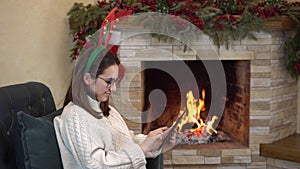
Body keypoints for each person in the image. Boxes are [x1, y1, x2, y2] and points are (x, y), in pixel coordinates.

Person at [53, 45, 176, 169]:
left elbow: (125, 141)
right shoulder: (75, 116)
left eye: (115, 82)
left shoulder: (109, 112)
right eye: (108, 82)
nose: (113, 89)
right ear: (87, 78)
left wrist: (156, 141)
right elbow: (95, 164)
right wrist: (142, 149)